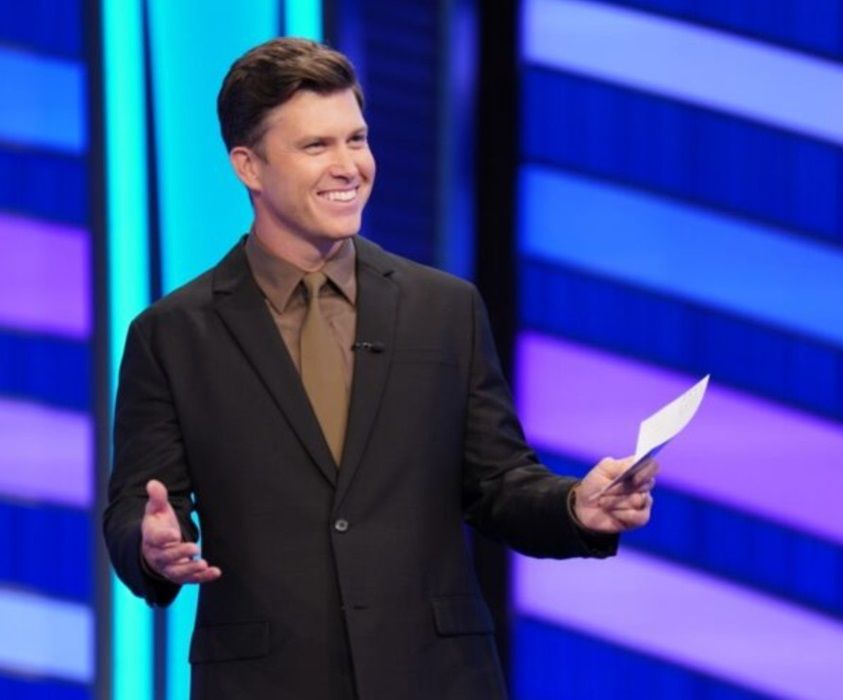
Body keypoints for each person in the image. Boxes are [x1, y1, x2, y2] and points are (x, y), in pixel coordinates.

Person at [103, 37, 658, 700]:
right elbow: (137, 503)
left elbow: (499, 483)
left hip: (436, 679)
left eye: (357, 139)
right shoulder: (172, 334)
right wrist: (152, 544)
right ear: (249, 167)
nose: (349, 167)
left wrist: (574, 506)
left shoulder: (442, 308)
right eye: (317, 146)